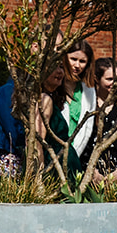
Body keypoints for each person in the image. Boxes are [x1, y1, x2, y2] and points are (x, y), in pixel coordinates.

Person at [37, 40, 96, 184]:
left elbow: (88, 127)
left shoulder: (88, 90)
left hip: (74, 158)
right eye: (73, 59)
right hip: (52, 159)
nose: (77, 65)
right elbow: (38, 137)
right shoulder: (52, 90)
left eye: (82, 61)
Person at [0, 78, 25, 176]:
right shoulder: (8, 91)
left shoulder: (19, 92)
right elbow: (11, 127)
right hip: (6, 155)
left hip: (13, 155)